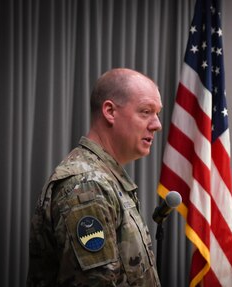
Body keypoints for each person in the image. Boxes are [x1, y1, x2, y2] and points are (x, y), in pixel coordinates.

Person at [27, 68, 163, 286]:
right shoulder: (87, 185)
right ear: (110, 111)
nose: (157, 124)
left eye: (157, 113)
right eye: (146, 111)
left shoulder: (104, 177)